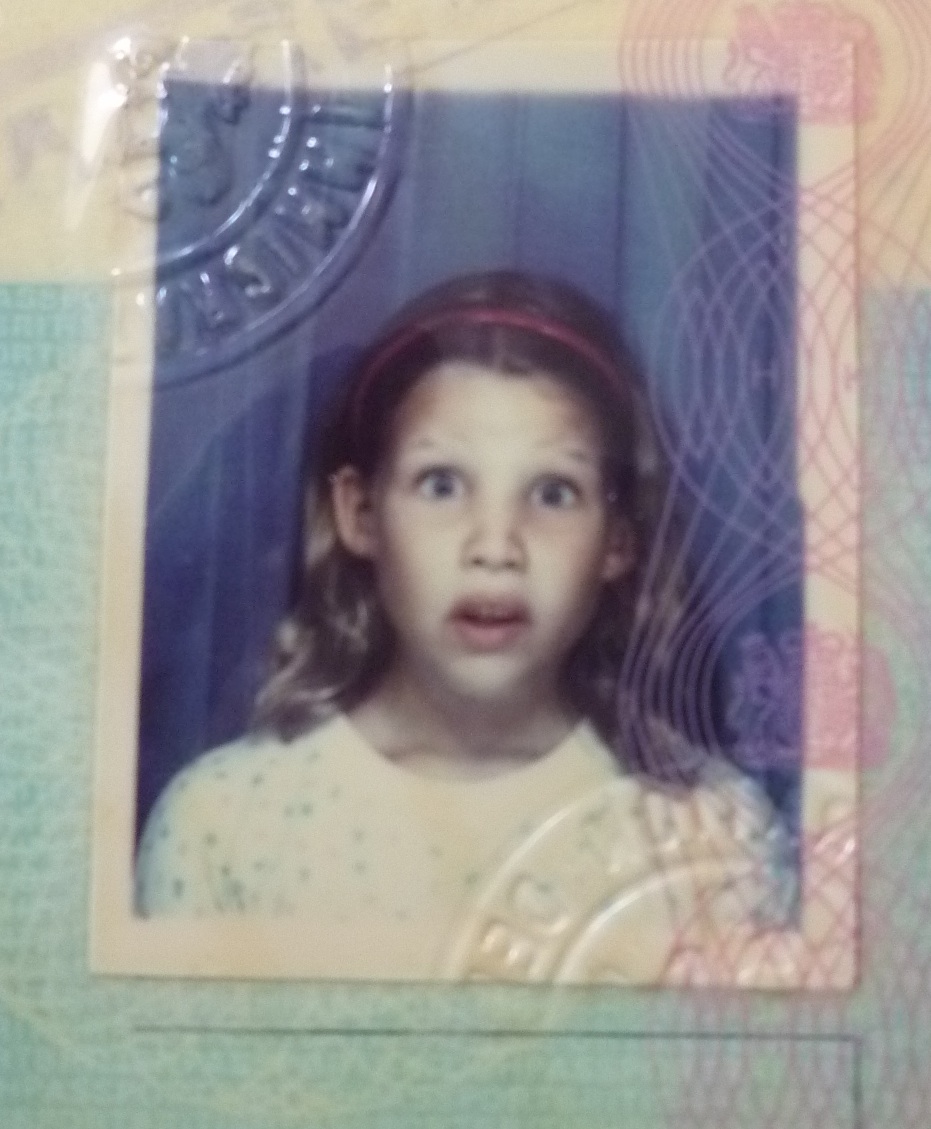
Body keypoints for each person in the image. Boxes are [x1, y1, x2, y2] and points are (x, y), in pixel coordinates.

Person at [135, 271, 785, 977]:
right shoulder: (225, 825)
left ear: (617, 541)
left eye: (553, 492)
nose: (495, 547)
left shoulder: (716, 838)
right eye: (441, 484)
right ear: (361, 513)